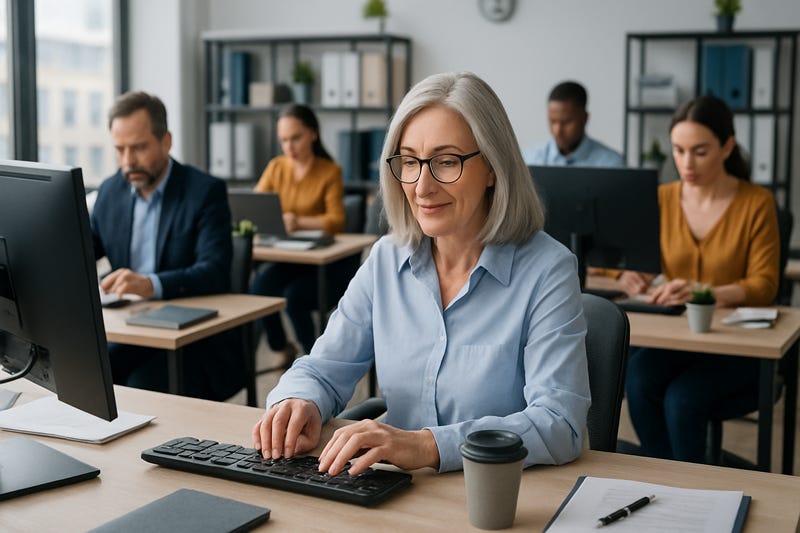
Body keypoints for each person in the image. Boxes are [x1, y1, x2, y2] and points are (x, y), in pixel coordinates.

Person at [251, 72, 590, 475]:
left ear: (493, 168)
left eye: (446, 162)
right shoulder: (385, 260)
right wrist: (299, 400)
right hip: (393, 491)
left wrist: (428, 445)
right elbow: (324, 368)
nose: (422, 186)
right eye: (409, 162)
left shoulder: (548, 269)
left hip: (497, 499)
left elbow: (560, 424)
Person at [619, 95, 780, 463]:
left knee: (683, 399)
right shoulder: (661, 199)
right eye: (678, 150)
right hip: (678, 341)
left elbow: (765, 285)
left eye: (699, 151)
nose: (686, 163)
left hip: (736, 345)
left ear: (727, 146)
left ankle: (695, 492)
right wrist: (630, 273)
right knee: (639, 378)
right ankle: (665, 478)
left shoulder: (756, 203)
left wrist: (703, 292)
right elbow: (618, 260)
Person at [91, 91, 243, 401]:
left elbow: (214, 271)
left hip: (193, 342)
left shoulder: (204, 192)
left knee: (138, 388)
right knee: (89, 372)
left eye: (139, 147)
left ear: (166, 141)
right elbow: (80, 253)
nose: (128, 161)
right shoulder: (110, 192)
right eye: (120, 149)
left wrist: (151, 284)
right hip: (133, 329)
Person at [248, 104, 347, 362]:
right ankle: (281, 347)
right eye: (283, 140)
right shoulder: (276, 167)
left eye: (295, 138)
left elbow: (337, 220)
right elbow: (256, 207)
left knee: (294, 298)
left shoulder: (330, 171)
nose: (289, 147)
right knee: (259, 288)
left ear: (313, 134)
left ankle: (316, 359)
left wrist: (299, 222)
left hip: (319, 263)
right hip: (287, 257)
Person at [524, 81, 624, 167]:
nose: (557, 131)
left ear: (584, 118)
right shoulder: (528, 160)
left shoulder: (611, 164)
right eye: (553, 122)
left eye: (566, 122)